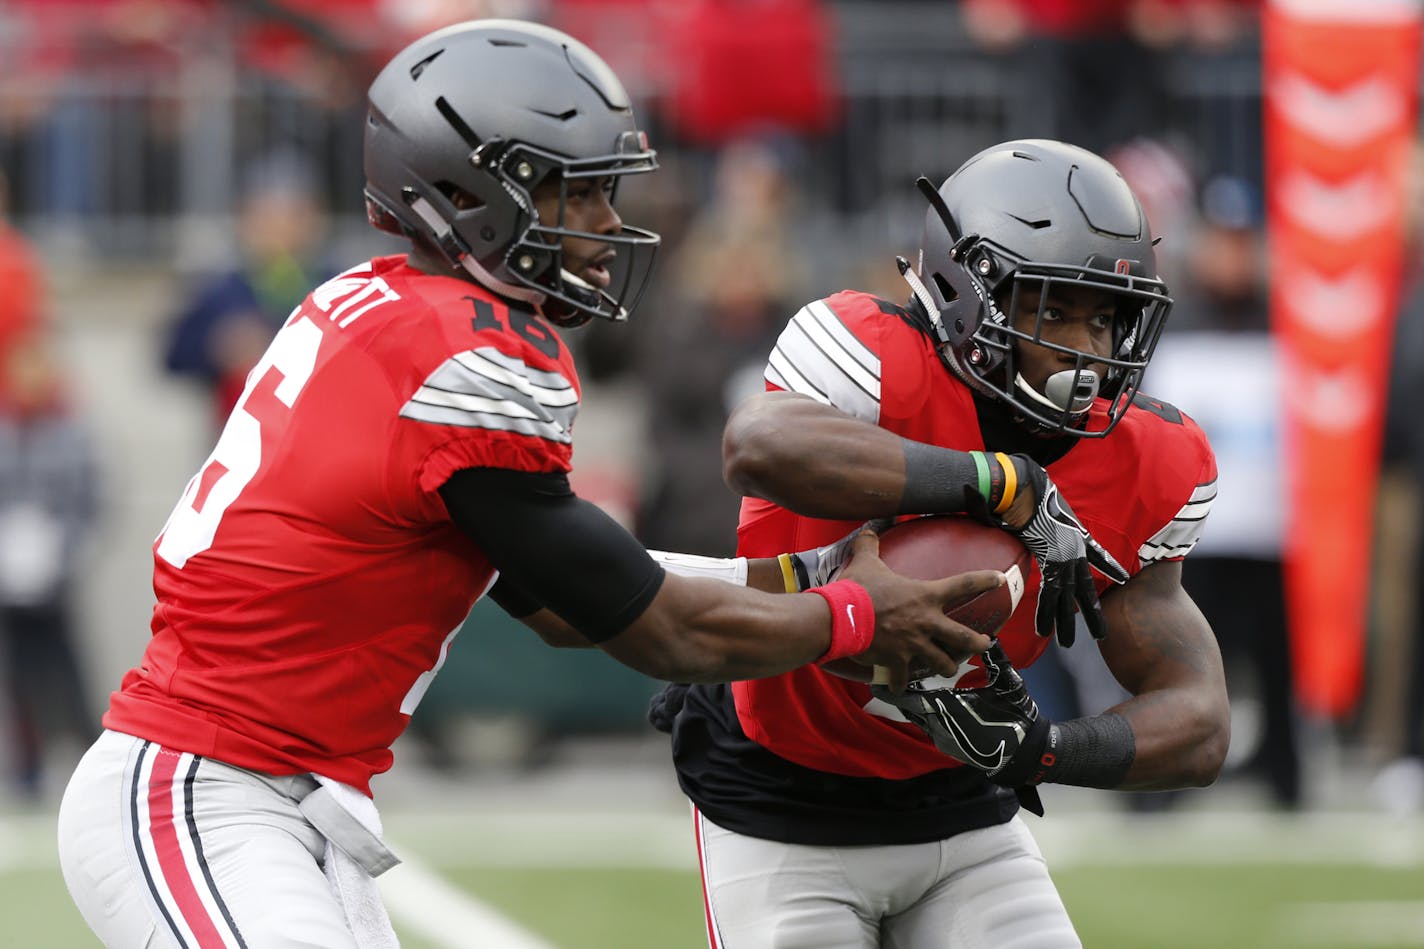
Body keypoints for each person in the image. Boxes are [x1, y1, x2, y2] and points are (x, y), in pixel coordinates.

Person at [55, 19, 1003, 948]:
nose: (604, 227)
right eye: (573, 195)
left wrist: (809, 576)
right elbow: (661, 629)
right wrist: (853, 617)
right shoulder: (472, 356)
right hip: (204, 786)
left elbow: (568, 596)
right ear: (467, 192)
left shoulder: (380, 306)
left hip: (275, 793)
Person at [652, 139, 1230, 948]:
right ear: (969, 296)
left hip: (962, 806)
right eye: (1053, 309)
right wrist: (1001, 483)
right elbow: (758, 444)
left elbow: (1200, 720)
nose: (1088, 351)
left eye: (1105, 317)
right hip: (779, 797)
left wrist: (1040, 747)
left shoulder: (1149, 458)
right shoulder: (872, 357)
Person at [0, 331, 100, 799]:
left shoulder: (72, 435)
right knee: (18, 672)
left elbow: (90, 505)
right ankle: (29, 767)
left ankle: (86, 755)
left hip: (54, 579)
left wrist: (63, 555)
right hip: (9, 581)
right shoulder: (5, 432)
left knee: (67, 669)